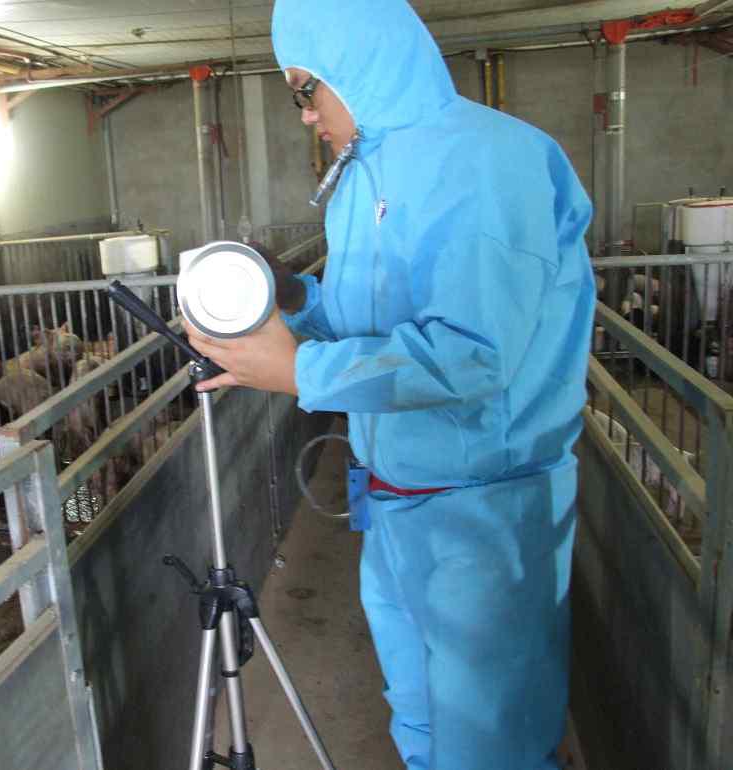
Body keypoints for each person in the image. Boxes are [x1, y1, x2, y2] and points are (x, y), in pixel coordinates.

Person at [183, 1, 597, 769]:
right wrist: (278, 321)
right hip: (397, 501)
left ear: (361, 63)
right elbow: (353, 314)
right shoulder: (360, 176)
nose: (307, 116)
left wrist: (297, 371)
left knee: (491, 739)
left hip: (487, 513)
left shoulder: (488, 162)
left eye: (307, 90)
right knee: (420, 719)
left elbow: (473, 357)